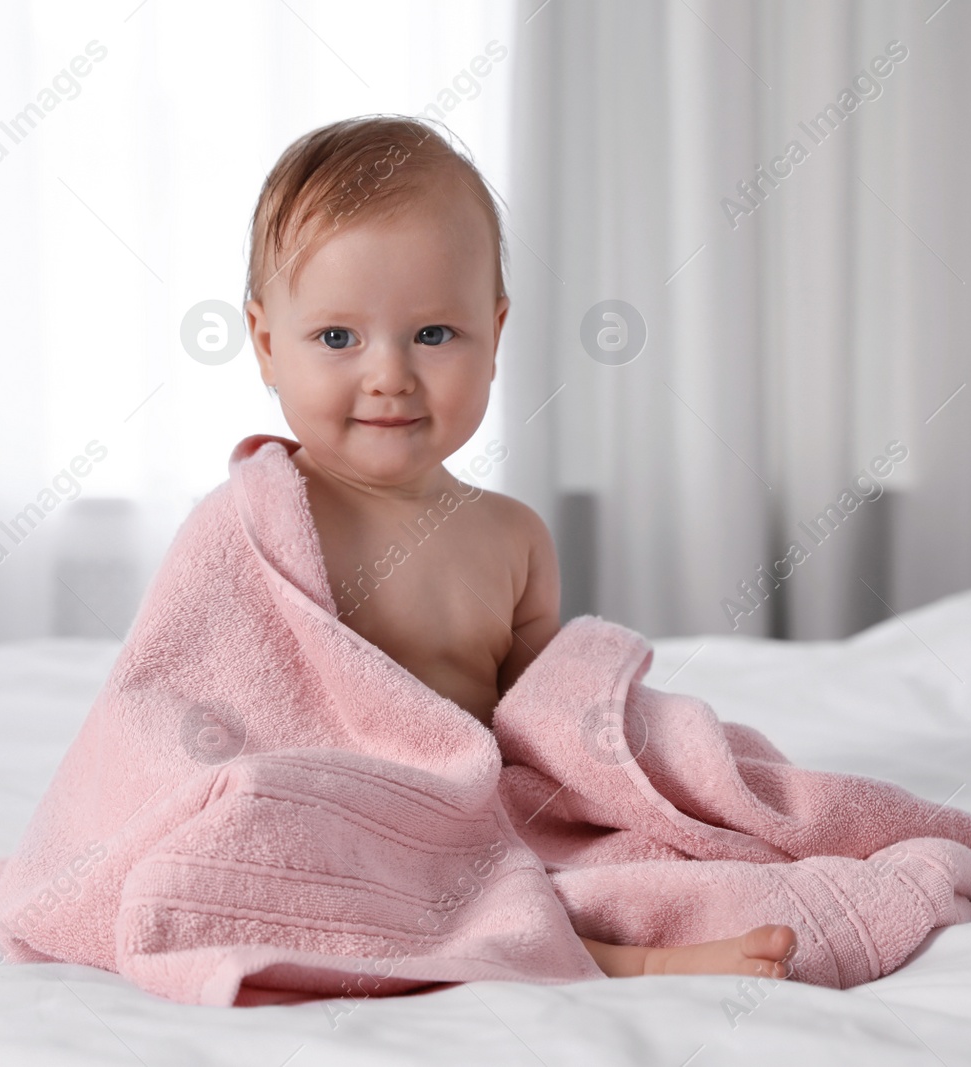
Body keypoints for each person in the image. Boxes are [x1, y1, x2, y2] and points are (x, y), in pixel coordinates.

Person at [242, 115, 795, 981]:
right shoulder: (267, 520)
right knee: (272, 848)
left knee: (571, 863)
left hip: (465, 820)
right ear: (268, 344)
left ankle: (627, 947)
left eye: (432, 334)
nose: (388, 373)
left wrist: (652, 773)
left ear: (494, 336)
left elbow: (552, 734)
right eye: (338, 337)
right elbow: (194, 691)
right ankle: (616, 962)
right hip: (331, 814)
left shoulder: (510, 537)